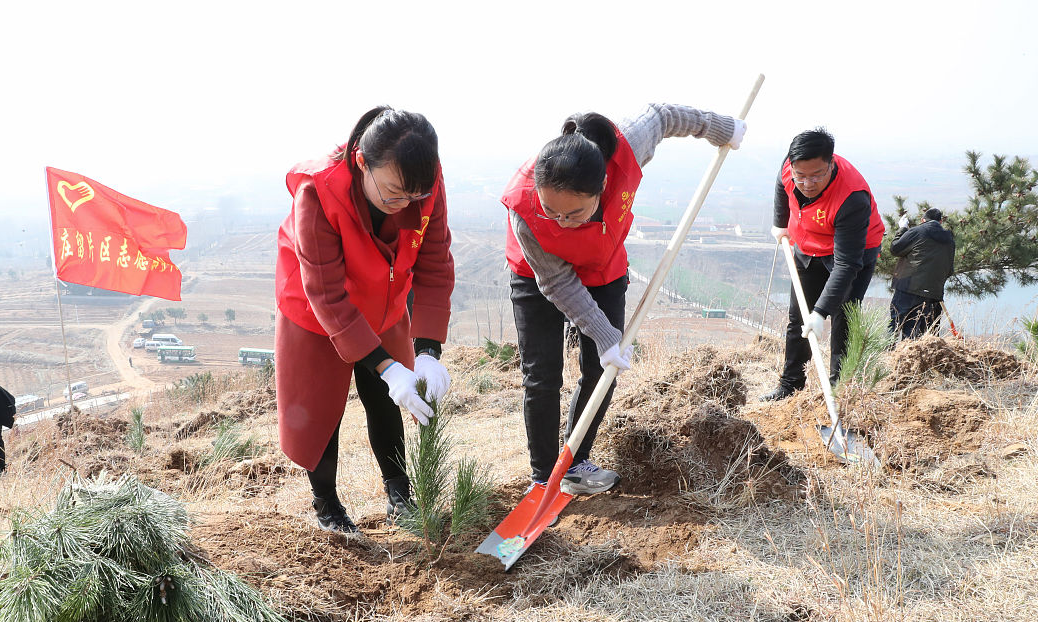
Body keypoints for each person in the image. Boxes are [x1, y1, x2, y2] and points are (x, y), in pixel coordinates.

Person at [504, 104, 745, 494]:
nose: (562, 222)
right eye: (552, 211)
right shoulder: (524, 209)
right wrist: (603, 333)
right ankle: (543, 478)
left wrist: (719, 128)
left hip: (603, 266)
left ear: (602, 187)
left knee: (601, 369)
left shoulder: (628, 145)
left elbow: (663, 115)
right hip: (539, 275)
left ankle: (576, 462)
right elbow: (558, 284)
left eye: (575, 213)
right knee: (541, 375)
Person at [275, 106, 455, 537]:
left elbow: (434, 263)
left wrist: (427, 351)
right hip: (317, 314)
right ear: (361, 162)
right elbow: (325, 292)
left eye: (413, 197)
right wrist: (387, 365)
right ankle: (327, 504)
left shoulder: (421, 180)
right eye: (393, 192)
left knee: (388, 400)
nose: (404, 205)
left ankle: (399, 494)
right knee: (320, 413)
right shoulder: (318, 193)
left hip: (385, 303)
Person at [761, 129, 884, 401]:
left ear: (831, 164)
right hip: (807, 246)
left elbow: (846, 265)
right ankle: (790, 385)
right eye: (800, 175)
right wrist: (780, 223)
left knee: (843, 318)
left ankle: (838, 392)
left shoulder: (852, 197)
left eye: (816, 175)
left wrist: (821, 313)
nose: (807, 183)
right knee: (799, 317)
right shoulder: (790, 167)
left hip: (852, 252)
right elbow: (782, 186)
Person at [889, 208, 955, 339]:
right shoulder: (949, 240)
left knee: (895, 326)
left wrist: (902, 229)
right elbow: (949, 270)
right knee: (917, 335)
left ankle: (888, 357)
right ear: (940, 221)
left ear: (923, 220)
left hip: (907, 288)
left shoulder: (917, 231)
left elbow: (895, 248)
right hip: (932, 296)